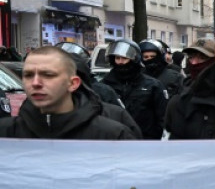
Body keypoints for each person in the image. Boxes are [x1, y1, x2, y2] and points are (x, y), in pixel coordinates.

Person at [0, 46, 136, 139]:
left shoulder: (113, 135)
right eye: (28, 75)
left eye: (48, 75)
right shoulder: (6, 132)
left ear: (73, 83)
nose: (35, 83)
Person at [102, 39, 168, 139]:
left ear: (134, 59)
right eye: (117, 58)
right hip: (114, 141)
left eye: (125, 58)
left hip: (145, 143)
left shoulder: (152, 85)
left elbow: (163, 117)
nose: (120, 62)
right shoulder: (104, 85)